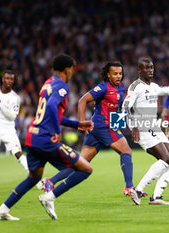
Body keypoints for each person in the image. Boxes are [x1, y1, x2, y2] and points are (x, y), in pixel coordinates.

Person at [0, 54, 94, 221]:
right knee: (84, 168)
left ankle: (2, 210)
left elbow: (54, 113)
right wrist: (57, 131)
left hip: (32, 136)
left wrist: (77, 124)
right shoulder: (63, 85)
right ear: (67, 70)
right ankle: (50, 196)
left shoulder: (47, 84)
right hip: (46, 139)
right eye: (72, 70)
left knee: (34, 178)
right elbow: (53, 106)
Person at [37, 61, 146, 199]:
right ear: (108, 75)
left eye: (120, 73)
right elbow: (82, 100)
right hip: (101, 125)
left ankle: (50, 181)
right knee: (126, 151)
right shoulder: (103, 88)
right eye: (115, 74)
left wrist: (119, 121)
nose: (118, 76)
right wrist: (82, 122)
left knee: (81, 162)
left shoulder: (122, 88)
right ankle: (129, 187)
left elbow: (114, 108)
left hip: (105, 126)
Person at [123, 57, 169, 205]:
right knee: (165, 158)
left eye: (151, 67)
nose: (150, 70)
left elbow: (166, 90)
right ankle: (137, 190)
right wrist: (134, 126)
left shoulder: (153, 86)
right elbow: (125, 106)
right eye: (146, 68)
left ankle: (156, 197)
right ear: (139, 70)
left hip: (154, 127)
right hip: (142, 127)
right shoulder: (135, 86)